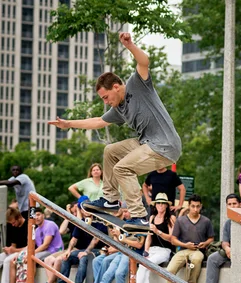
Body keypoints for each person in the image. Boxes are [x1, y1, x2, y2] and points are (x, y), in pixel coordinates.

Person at [49, 32, 181, 229]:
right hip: (147, 144)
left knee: (122, 168)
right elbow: (97, 121)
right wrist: (68, 124)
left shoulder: (138, 85)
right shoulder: (118, 109)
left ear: (117, 87)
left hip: (165, 145)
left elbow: (144, 61)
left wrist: (130, 46)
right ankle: (110, 200)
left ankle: (140, 216)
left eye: (105, 97)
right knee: (110, 151)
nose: (106, 102)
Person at [166, 194, 214, 283]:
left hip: (198, 251)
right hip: (183, 250)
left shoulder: (206, 221)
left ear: (200, 206)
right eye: (193, 206)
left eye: (197, 206)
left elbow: (211, 238)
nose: (195, 209)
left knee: (196, 260)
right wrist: (185, 245)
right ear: (188, 206)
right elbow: (173, 240)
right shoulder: (180, 220)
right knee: (169, 270)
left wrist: (205, 243)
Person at [9, 208, 63, 283]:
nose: (36, 217)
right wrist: (20, 253)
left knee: (32, 258)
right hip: (44, 252)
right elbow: (30, 246)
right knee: (16, 259)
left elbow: (45, 245)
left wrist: (30, 254)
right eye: (35, 216)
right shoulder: (36, 230)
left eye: (38, 215)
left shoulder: (50, 225)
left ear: (43, 215)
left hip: (54, 251)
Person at [136, 192, 176, 283]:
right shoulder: (152, 217)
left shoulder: (170, 218)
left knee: (147, 266)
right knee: (142, 266)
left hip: (164, 250)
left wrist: (158, 232)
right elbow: (149, 237)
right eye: (158, 203)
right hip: (152, 250)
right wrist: (146, 251)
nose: (160, 205)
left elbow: (172, 238)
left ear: (167, 205)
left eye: (163, 203)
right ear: (155, 205)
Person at [205, 194, 241, 283]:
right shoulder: (228, 223)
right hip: (229, 253)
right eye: (229, 204)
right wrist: (227, 248)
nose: (232, 206)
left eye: (234, 203)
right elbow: (224, 242)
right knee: (212, 259)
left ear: (240, 205)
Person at [0, 208, 28, 283]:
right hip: (15, 251)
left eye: (13, 222)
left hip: (23, 251)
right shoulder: (14, 227)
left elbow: (30, 247)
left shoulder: (28, 225)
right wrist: (8, 250)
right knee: (1, 257)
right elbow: (13, 245)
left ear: (19, 218)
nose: (13, 225)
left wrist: (14, 250)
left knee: (7, 261)